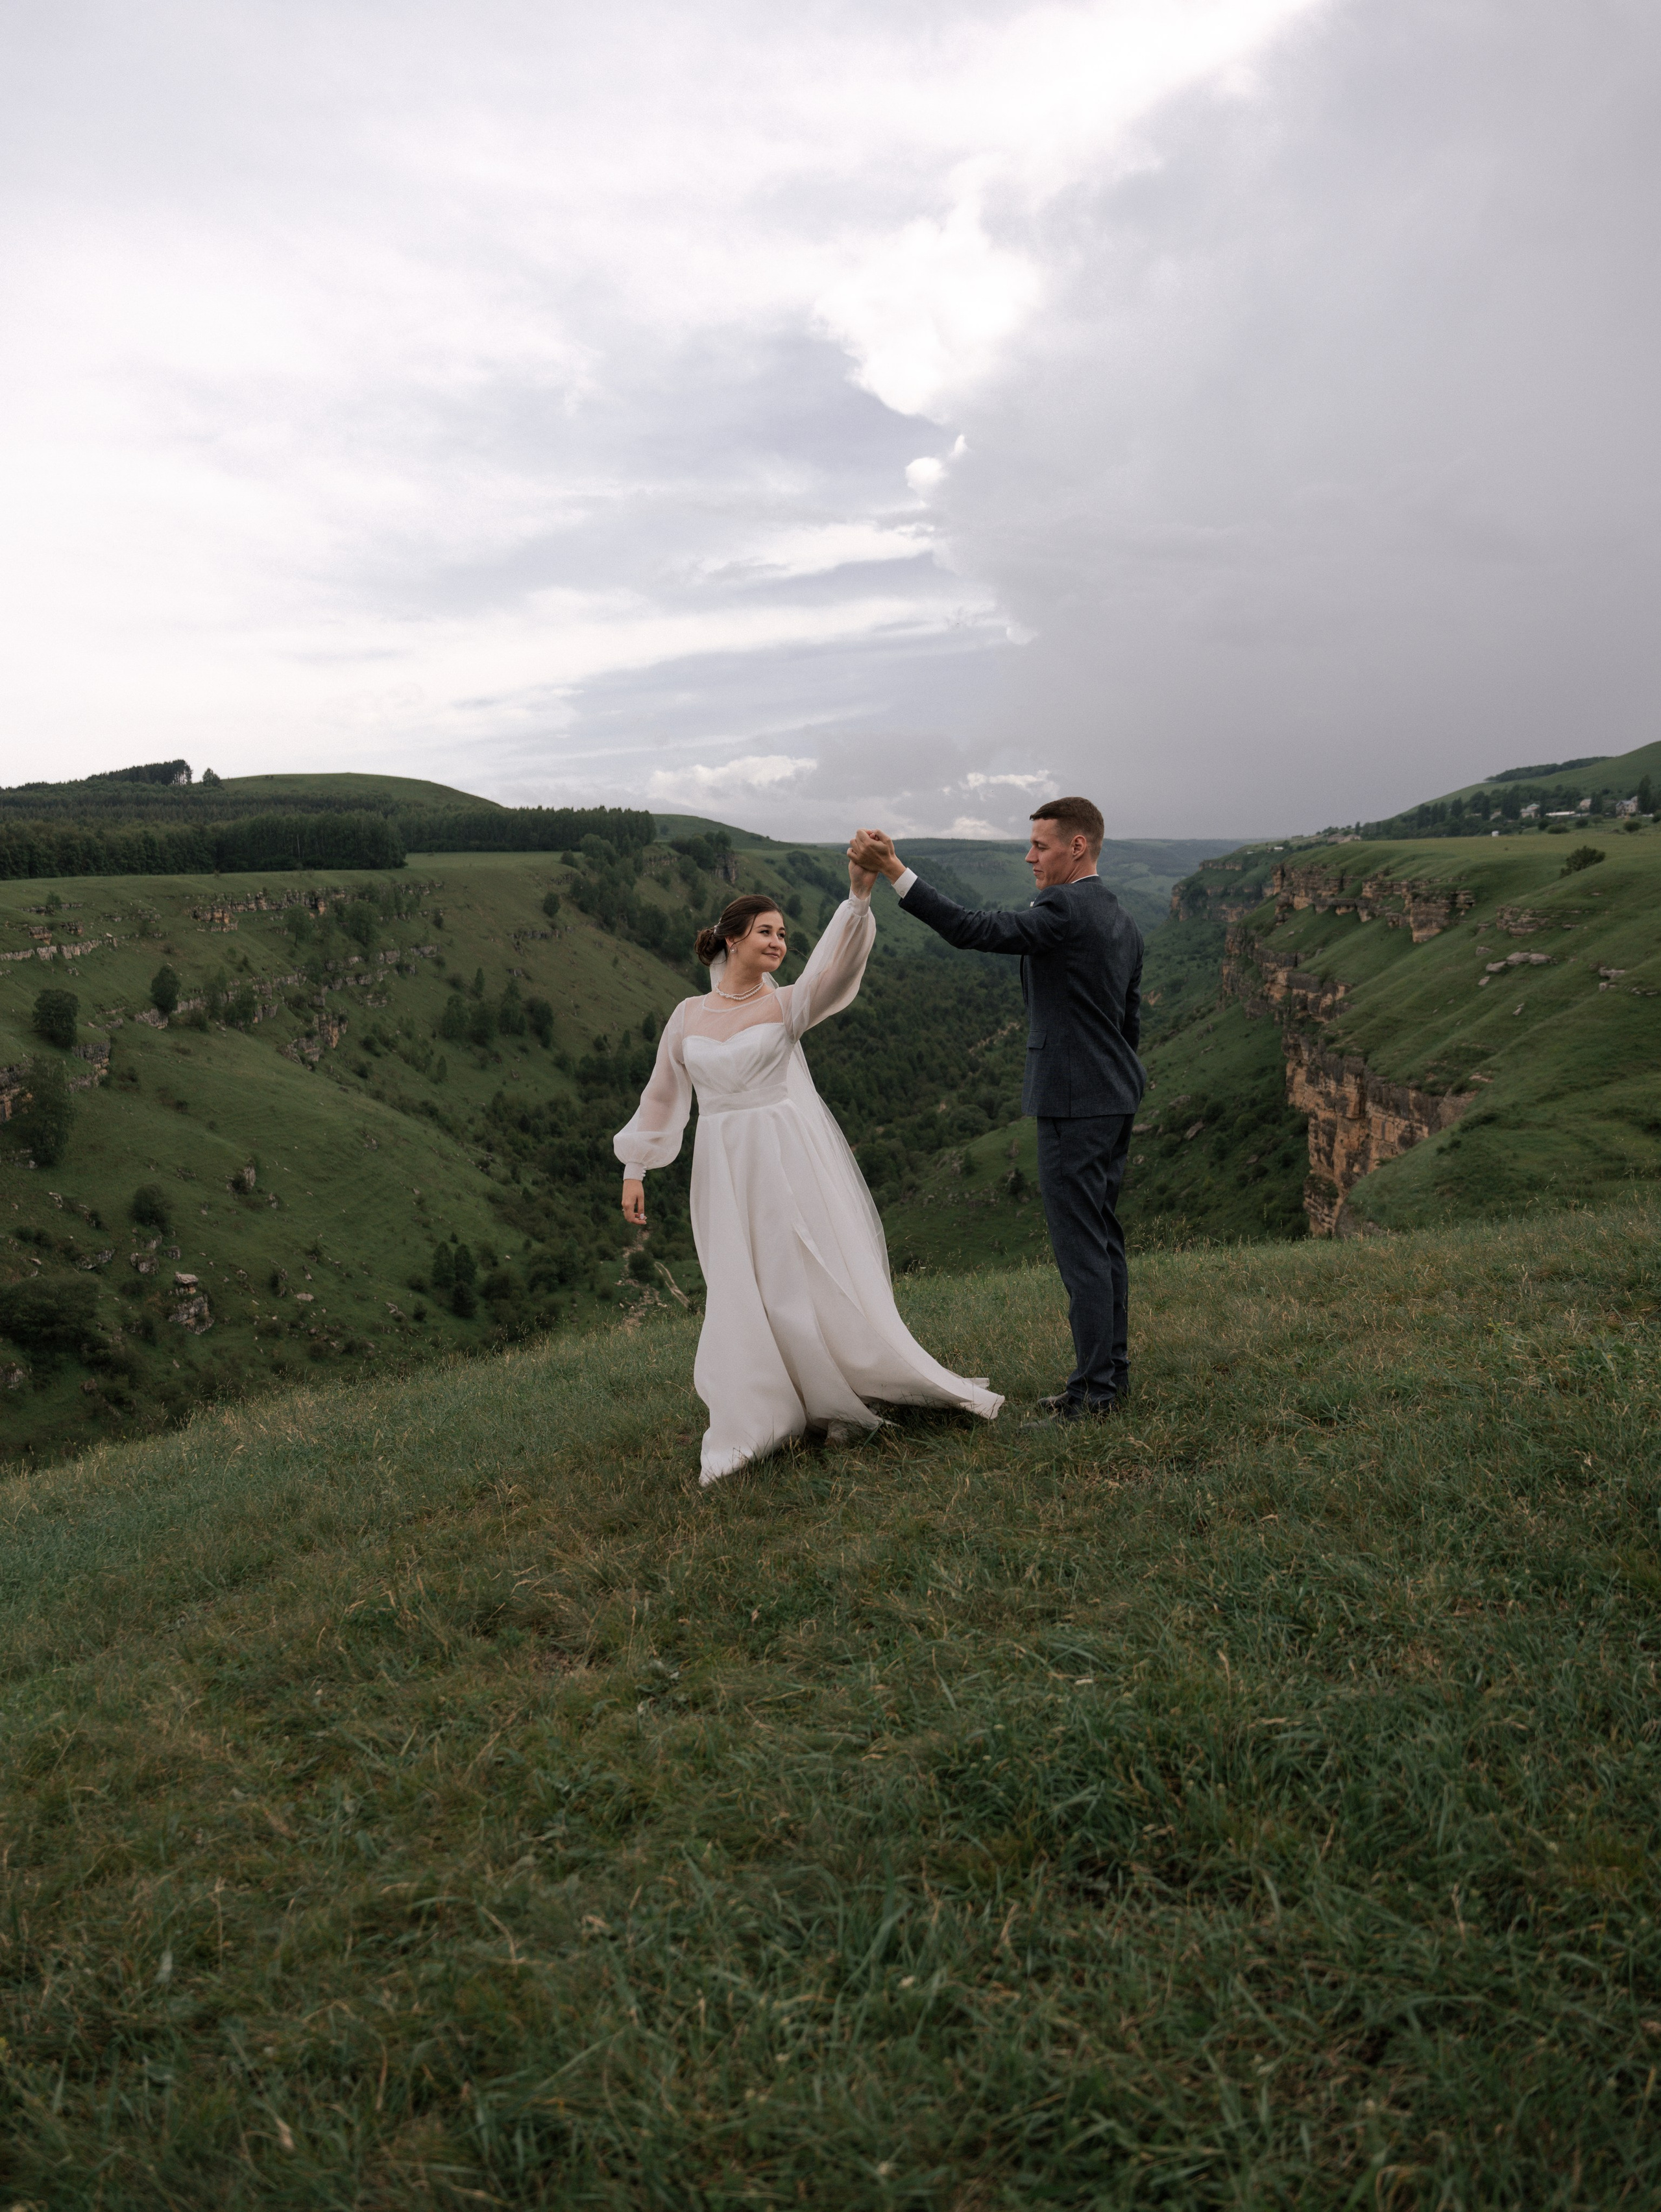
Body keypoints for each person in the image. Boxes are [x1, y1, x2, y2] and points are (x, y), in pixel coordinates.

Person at [614, 863, 1002, 1485]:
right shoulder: (686, 1016)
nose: (778, 942)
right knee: (737, 1279)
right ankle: (759, 1406)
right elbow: (662, 1095)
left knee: (792, 1272)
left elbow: (837, 973)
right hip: (720, 1164)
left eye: (784, 935)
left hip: (781, 1158)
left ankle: (829, 1385)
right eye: (766, 931)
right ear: (732, 938)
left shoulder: (787, 1005)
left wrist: (857, 901)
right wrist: (636, 1166)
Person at [848, 798, 1144, 1422]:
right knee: (1104, 1239)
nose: (1029, 856)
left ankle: (1095, 1394)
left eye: (1041, 845)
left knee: (1082, 1250)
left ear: (1078, 846)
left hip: (1073, 1100)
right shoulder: (1120, 916)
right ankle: (1109, 1377)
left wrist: (895, 870)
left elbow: (972, 929)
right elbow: (1128, 1020)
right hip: (1114, 1094)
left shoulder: (1062, 909)